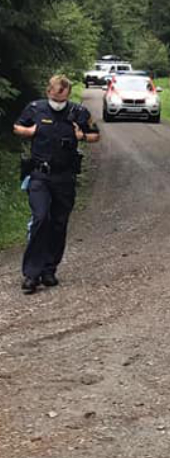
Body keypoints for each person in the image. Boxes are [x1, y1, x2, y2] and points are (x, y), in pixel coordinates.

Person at [12, 75, 100, 294]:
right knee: (41, 218)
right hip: (40, 175)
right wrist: (29, 132)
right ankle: (31, 274)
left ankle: (49, 269)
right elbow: (17, 127)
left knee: (59, 223)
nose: (59, 100)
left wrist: (82, 136)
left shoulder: (78, 113)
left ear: (68, 94)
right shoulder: (35, 109)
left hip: (65, 177)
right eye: (56, 94)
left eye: (64, 96)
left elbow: (95, 135)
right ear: (48, 91)